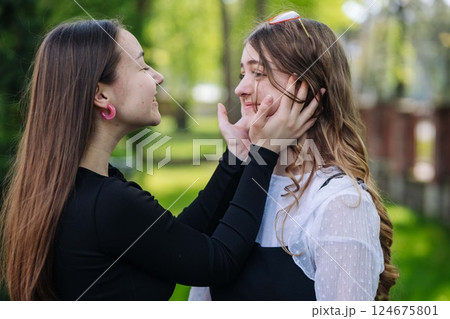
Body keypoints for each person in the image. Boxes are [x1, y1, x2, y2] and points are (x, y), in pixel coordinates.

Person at [0, 19, 320, 300]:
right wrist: (264, 153)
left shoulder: (86, 187)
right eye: (142, 66)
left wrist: (238, 155)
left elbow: (175, 241)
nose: (158, 77)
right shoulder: (106, 203)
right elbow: (217, 260)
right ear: (101, 95)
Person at [189, 11, 398, 301]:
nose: (240, 88)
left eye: (258, 73)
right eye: (242, 73)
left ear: (306, 89)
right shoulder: (241, 189)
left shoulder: (340, 205)